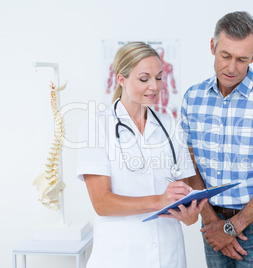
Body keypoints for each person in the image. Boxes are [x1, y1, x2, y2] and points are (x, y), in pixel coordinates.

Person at [180, 11, 253, 267]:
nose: (231, 67)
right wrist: (212, 221)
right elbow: (188, 165)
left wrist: (232, 228)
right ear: (213, 46)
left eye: (242, 59)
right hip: (210, 220)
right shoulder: (193, 98)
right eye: (225, 56)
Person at [77, 41, 207, 268]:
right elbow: (102, 203)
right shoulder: (97, 125)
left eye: (158, 78)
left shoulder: (171, 127)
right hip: (120, 256)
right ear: (121, 79)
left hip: (168, 256)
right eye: (144, 79)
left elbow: (185, 203)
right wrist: (159, 200)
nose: (154, 87)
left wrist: (190, 215)